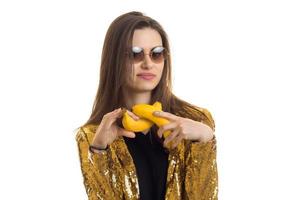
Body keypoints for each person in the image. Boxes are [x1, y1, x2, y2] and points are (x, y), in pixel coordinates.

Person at [75, 11, 218, 200]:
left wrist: (204, 139)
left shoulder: (195, 121)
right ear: (114, 60)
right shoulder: (93, 135)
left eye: (157, 54)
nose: (148, 63)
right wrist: (100, 152)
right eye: (135, 54)